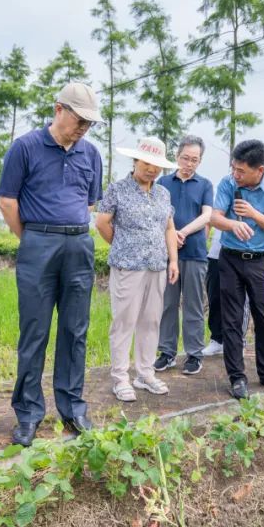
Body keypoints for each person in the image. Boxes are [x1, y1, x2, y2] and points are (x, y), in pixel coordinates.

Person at [0, 83, 103, 447]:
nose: (84, 127)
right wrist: (31, 237)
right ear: (59, 109)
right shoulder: (25, 147)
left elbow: (89, 202)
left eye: (90, 122)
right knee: (35, 331)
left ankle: (73, 408)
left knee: (75, 330)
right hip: (38, 243)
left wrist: (67, 232)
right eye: (79, 119)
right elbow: (7, 201)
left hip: (78, 244)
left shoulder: (91, 154)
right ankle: (27, 414)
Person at [95, 138, 179, 402]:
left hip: (157, 266)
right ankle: (121, 377)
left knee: (151, 320)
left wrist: (173, 261)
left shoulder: (163, 193)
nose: (152, 169)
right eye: (147, 163)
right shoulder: (118, 189)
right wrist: (122, 245)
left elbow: (168, 227)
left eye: (157, 165)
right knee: (124, 321)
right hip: (127, 266)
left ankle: (145, 373)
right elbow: (102, 222)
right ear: (135, 161)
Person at [209, 139, 264, 399]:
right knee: (232, 321)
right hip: (230, 259)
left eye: (241, 170)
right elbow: (215, 217)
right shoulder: (227, 183)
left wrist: (255, 214)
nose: (236, 174)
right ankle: (237, 378)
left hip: (259, 261)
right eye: (234, 168)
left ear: (260, 170)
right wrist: (232, 225)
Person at [154, 135, 212, 375]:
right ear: (177, 157)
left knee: (193, 305)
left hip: (195, 252)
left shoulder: (205, 184)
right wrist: (170, 236)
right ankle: (167, 352)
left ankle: (194, 354)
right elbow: (156, 214)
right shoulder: (162, 182)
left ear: (200, 161)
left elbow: (207, 215)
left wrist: (182, 233)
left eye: (195, 160)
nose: (189, 163)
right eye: (186, 158)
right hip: (166, 254)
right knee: (166, 304)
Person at [201, 226, 249, 357]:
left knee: (238, 301)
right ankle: (217, 340)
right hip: (215, 254)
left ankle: (239, 341)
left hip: (239, 254)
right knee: (214, 298)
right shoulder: (215, 204)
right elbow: (208, 221)